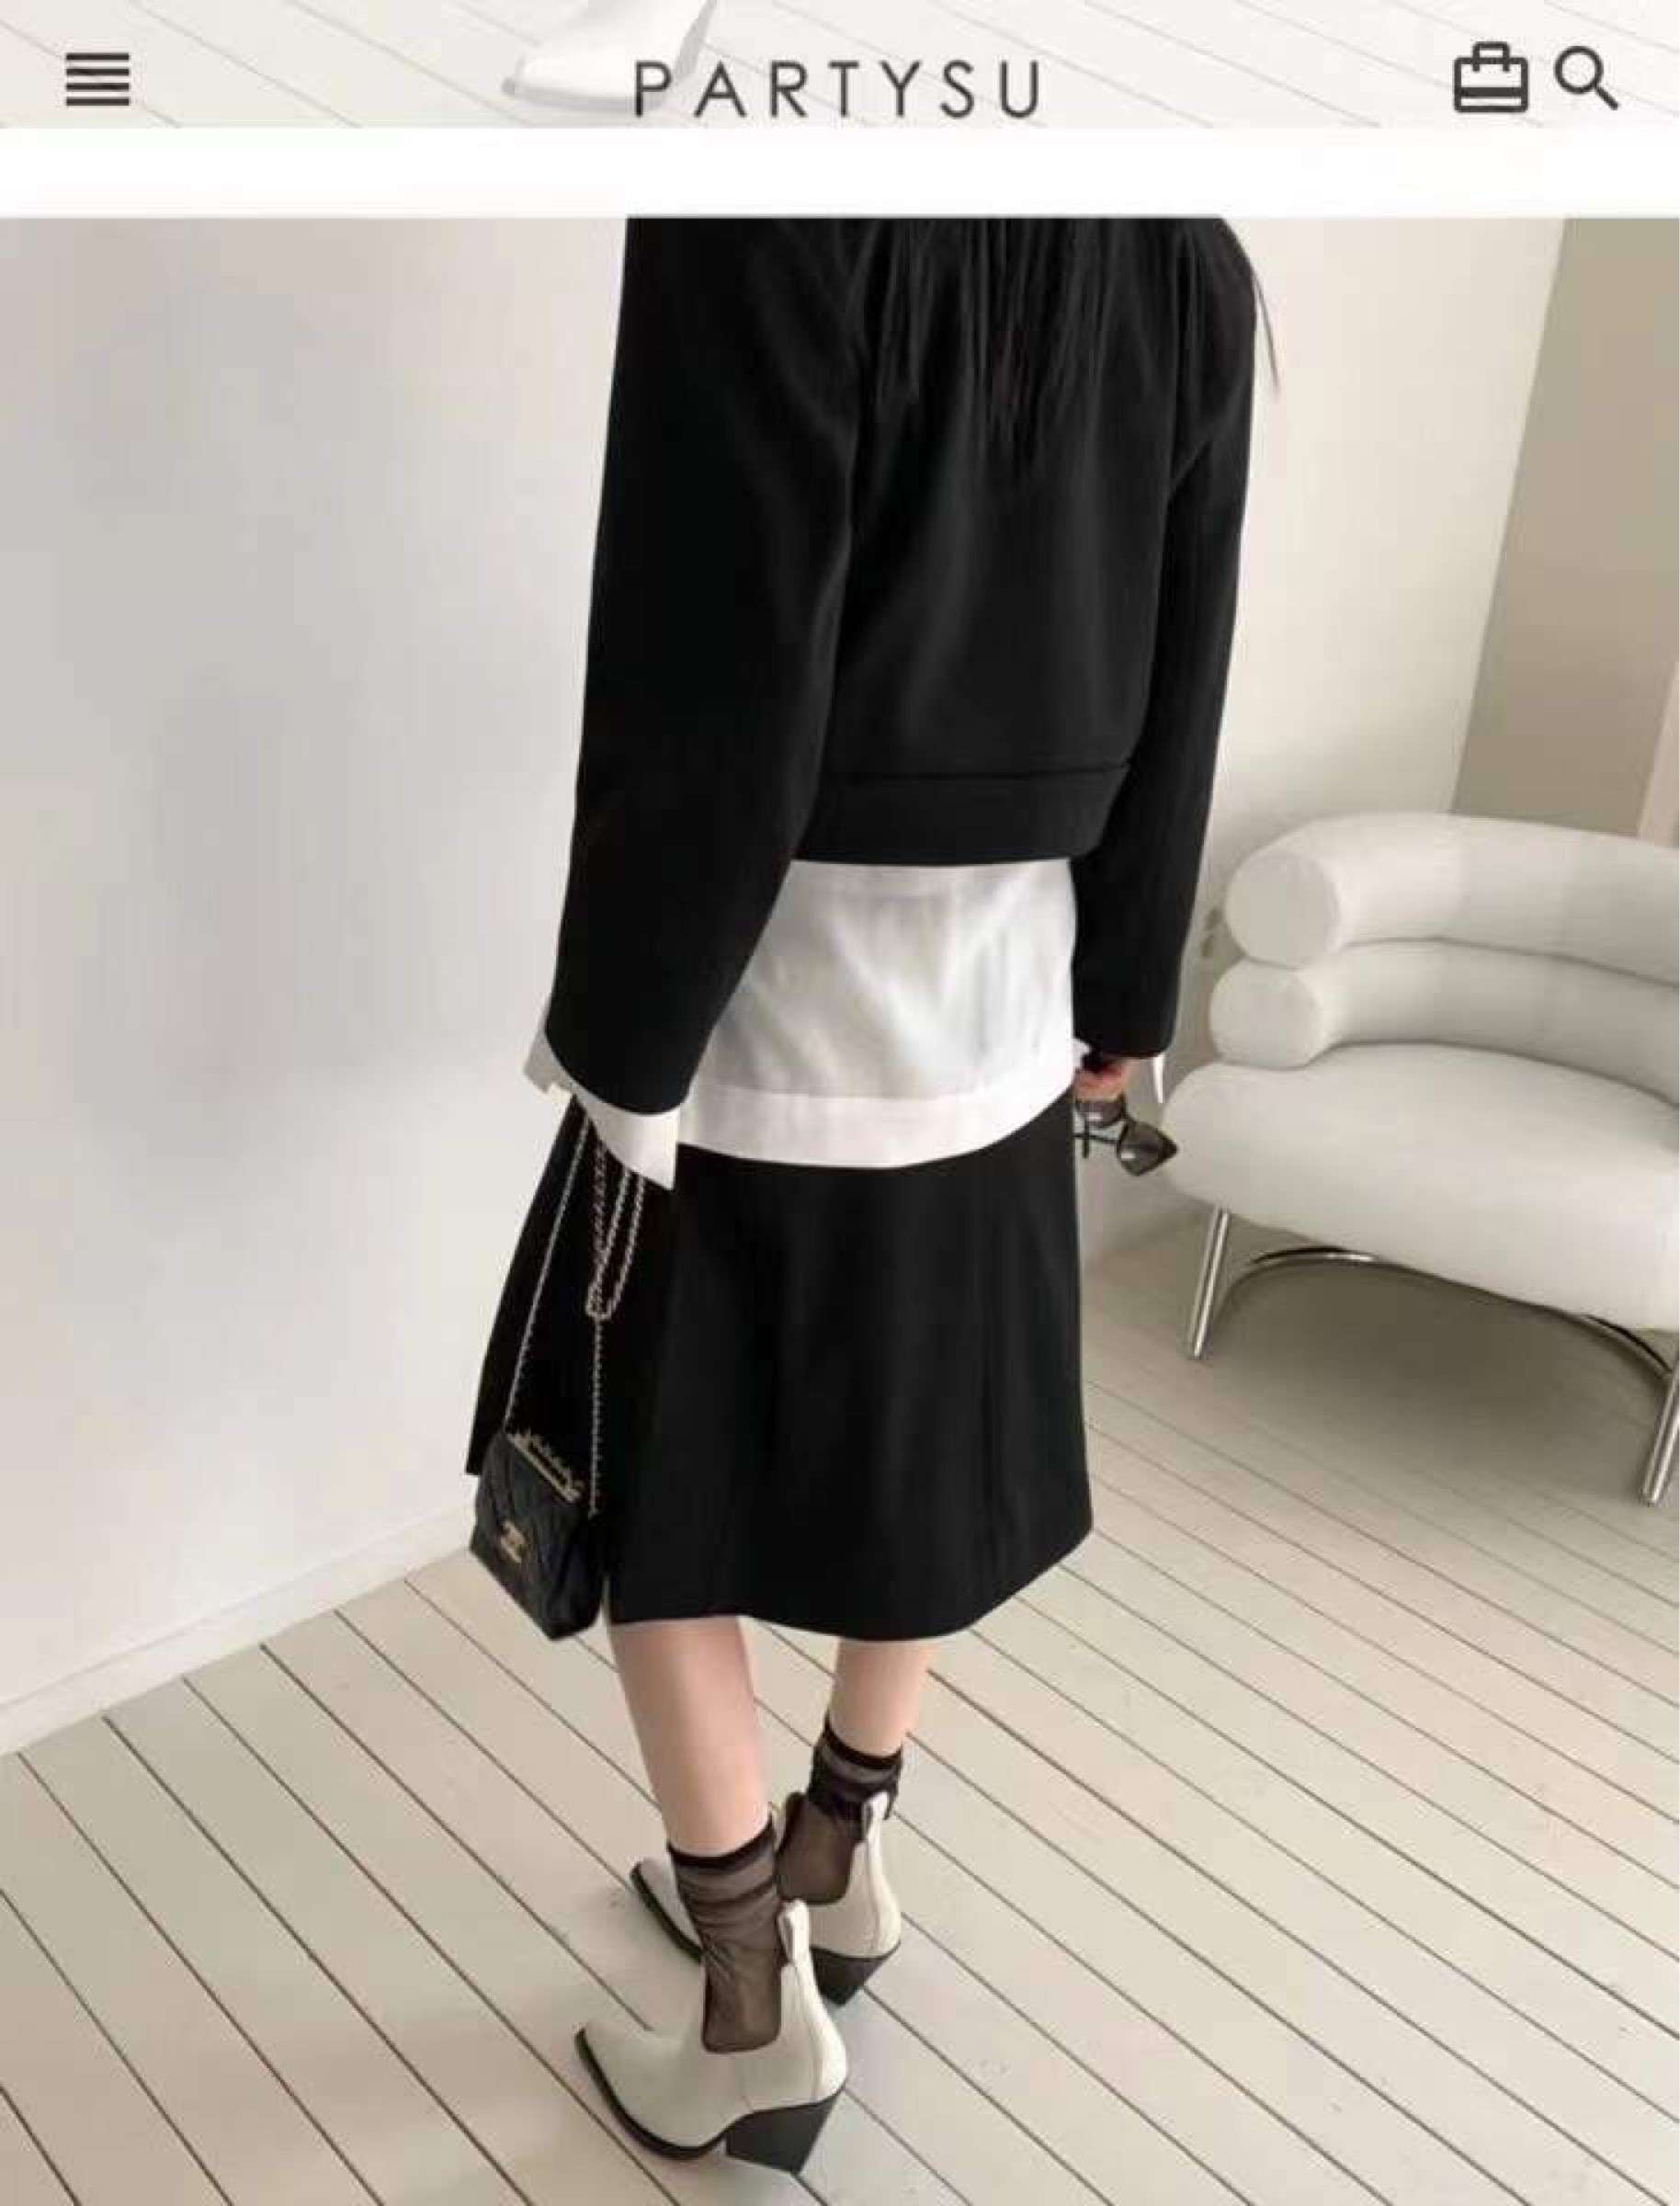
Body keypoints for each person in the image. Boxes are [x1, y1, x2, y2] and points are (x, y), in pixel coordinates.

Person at [523, 217, 1256, 2171]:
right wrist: (1126, 999)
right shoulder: (1186, 257)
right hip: (1008, 990)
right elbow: (1188, 657)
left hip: (763, 982)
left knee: (656, 1501)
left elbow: (719, 654)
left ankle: (749, 2013)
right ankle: (837, 1862)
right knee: (916, 1469)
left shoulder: (762, 201)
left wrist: (620, 1031)